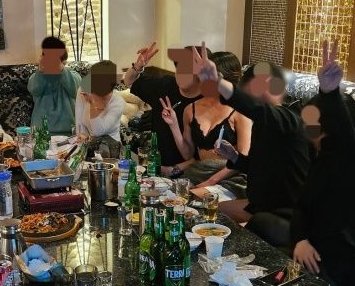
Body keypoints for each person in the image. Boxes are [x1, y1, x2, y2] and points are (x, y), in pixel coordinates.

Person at [289, 41, 355, 286]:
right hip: (312, 249)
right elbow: (302, 207)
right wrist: (301, 241)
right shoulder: (320, 158)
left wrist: (330, 92)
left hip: (343, 267)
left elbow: (346, 134)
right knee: (261, 225)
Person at [203, 59, 312, 247]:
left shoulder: (289, 119)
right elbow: (256, 166)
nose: (246, 98)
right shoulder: (263, 123)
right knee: (211, 210)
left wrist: (218, 81)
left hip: (285, 213)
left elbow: (254, 108)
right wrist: (234, 156)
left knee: (220, 221)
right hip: (260, 205)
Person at [160, 50, 251, 199]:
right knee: (164, 196)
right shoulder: (191, 109)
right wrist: (173, 124)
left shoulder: (241, 111)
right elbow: (188, 154)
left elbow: (243, 159)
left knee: (189, 199)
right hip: (200, 171)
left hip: (231, 176)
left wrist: (210, 181)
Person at [124, 42, 202, 169]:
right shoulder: (165, 85)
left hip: (191, 171)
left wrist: (172, 170)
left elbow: (202, 157)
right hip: (159, 163)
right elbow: (129, 81)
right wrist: (138, 66)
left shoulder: (207, 103)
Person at [28, 36, 81, 135]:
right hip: (41, 133)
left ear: (64, 62)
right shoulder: (36, 77)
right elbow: (34, 90)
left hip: (69, 132)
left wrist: (61, 69)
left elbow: (76, 90)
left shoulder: (74, 76)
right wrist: (41, 71)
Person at [75, 59, 125, 157]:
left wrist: (92, 102)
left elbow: (98, 131)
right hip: (89, 148)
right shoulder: (84, 90)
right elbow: (79, 122)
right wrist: (81, 142)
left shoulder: (118, 103)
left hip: (111, 152)